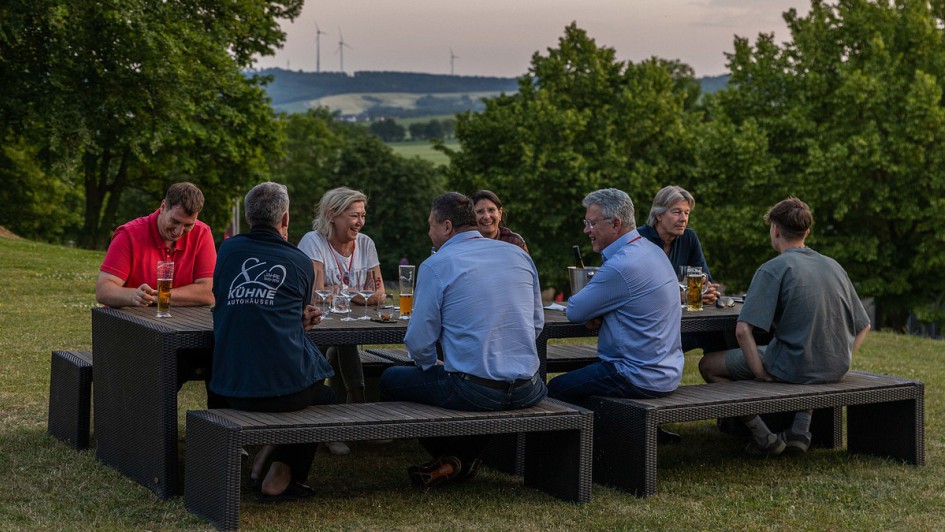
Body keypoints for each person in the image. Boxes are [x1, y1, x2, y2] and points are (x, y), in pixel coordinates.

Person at [379, 192, 547, 487]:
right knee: (476, 385)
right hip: (529, 387)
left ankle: (454, 456)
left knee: (390, 379)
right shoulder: (518, 254)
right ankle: (460, 458)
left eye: (430, 225)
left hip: (476, 391)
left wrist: (431, 366)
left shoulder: (438, 263)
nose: (428, 232)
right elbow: (536, 323)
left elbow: (419, 341)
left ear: (446, 226)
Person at [699, 197, 871, 457]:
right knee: (807, 355)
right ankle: (800, 430)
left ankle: (763, 436)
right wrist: (842, 355)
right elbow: (864, 325)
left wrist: (759, 371)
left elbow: (742, 330)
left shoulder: (773, 268)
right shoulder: (833, 265)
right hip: (836, 366)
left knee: (708, 365)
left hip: (793, 366)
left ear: (775, 230)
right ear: (807, 232)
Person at [209, 181, 335, 500]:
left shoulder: (227, 250)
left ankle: (252, 454)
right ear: (286, 219)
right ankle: (284, 471)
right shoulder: (298, 261)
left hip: (226, 387)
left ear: (250, 217)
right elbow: (298, 315)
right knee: (329, 397)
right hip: (284, 392)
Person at [546, 188, 684, 441]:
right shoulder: (650, 250)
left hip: (636, 374)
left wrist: (598, 312)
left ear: (616, 224)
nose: (586, 230)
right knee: (584, 378)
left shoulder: (622, 264)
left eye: (591, 223)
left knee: (555, 389)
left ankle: (581, 454)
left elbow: (575, 311)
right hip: (668, 370)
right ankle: (626, 433)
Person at [297, 186, 386, 456]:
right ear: (332, 215)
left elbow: (380, 294)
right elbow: (317, 294)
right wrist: (360, 296)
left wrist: (346, 295)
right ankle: (344, 418)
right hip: (313, 324)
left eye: (362, 215)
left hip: (346, 322)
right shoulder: (314, 241)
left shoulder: (366, 243)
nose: (360, 222)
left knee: (345, 342)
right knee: (335, 347)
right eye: (353, 215)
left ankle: (349, 417)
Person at [95, 182, 216, 309]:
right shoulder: (129, 235)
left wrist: (158, 297)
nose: (178, 232)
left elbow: (209, 293)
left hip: (179, 323)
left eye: (188, 225)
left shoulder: (202, 234)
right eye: (174, 221)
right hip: (130, 321)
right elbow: (104, 290)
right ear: (163, 207)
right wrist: (133, 296)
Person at [638, 185, 722, 353]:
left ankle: (720, 375)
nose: (684, 218)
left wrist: (699, 291)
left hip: (682, 322)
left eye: (687, 213)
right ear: (659, 214)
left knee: (721, 334)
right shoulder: (639, 239)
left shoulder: (689, 238)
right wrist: (683, 295)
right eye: (677, 212)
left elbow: (705, 280)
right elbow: (640, 292)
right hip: (648, 328)